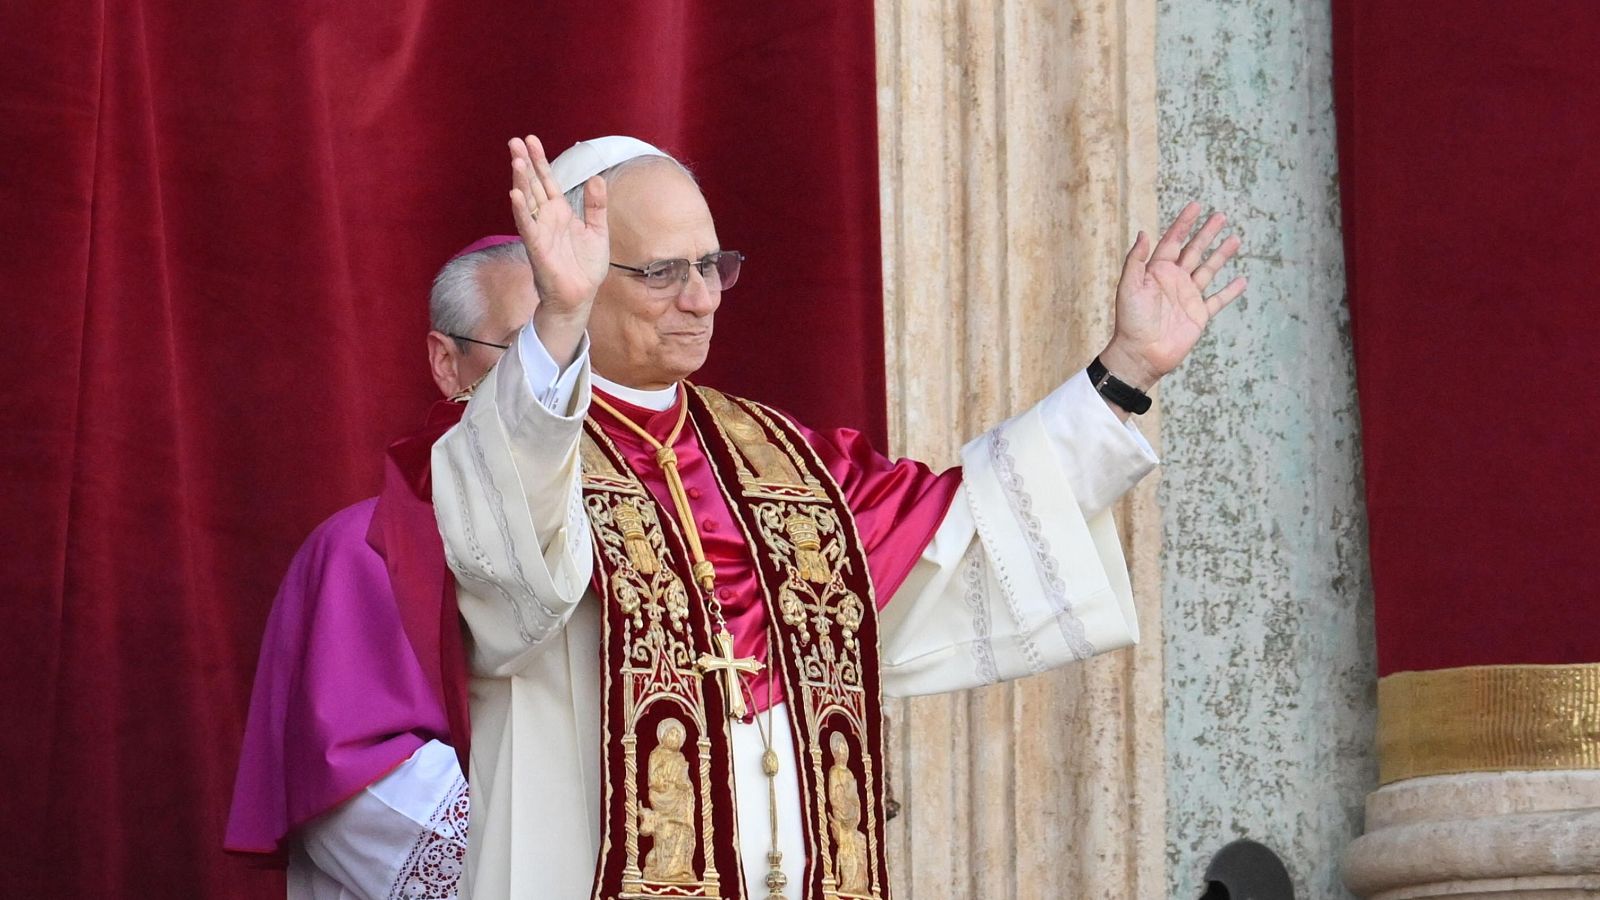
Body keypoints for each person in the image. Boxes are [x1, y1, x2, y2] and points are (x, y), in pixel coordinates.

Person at [432, 134, 1246, 899]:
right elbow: (511, 569)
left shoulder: (781, 458)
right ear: (580, 272)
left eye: (712, 265)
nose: (701, 298)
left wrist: (1125, 371)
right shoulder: (518, 442)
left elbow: (968, 526)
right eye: (662, 273)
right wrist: (559, 321)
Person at [225, 238, 540, 899]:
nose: (559, 380)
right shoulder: (365, 551)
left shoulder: (642, 543)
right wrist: (573, 856)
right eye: (528, 347)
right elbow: (358, 790)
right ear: (448, 363)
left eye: (579, 351)